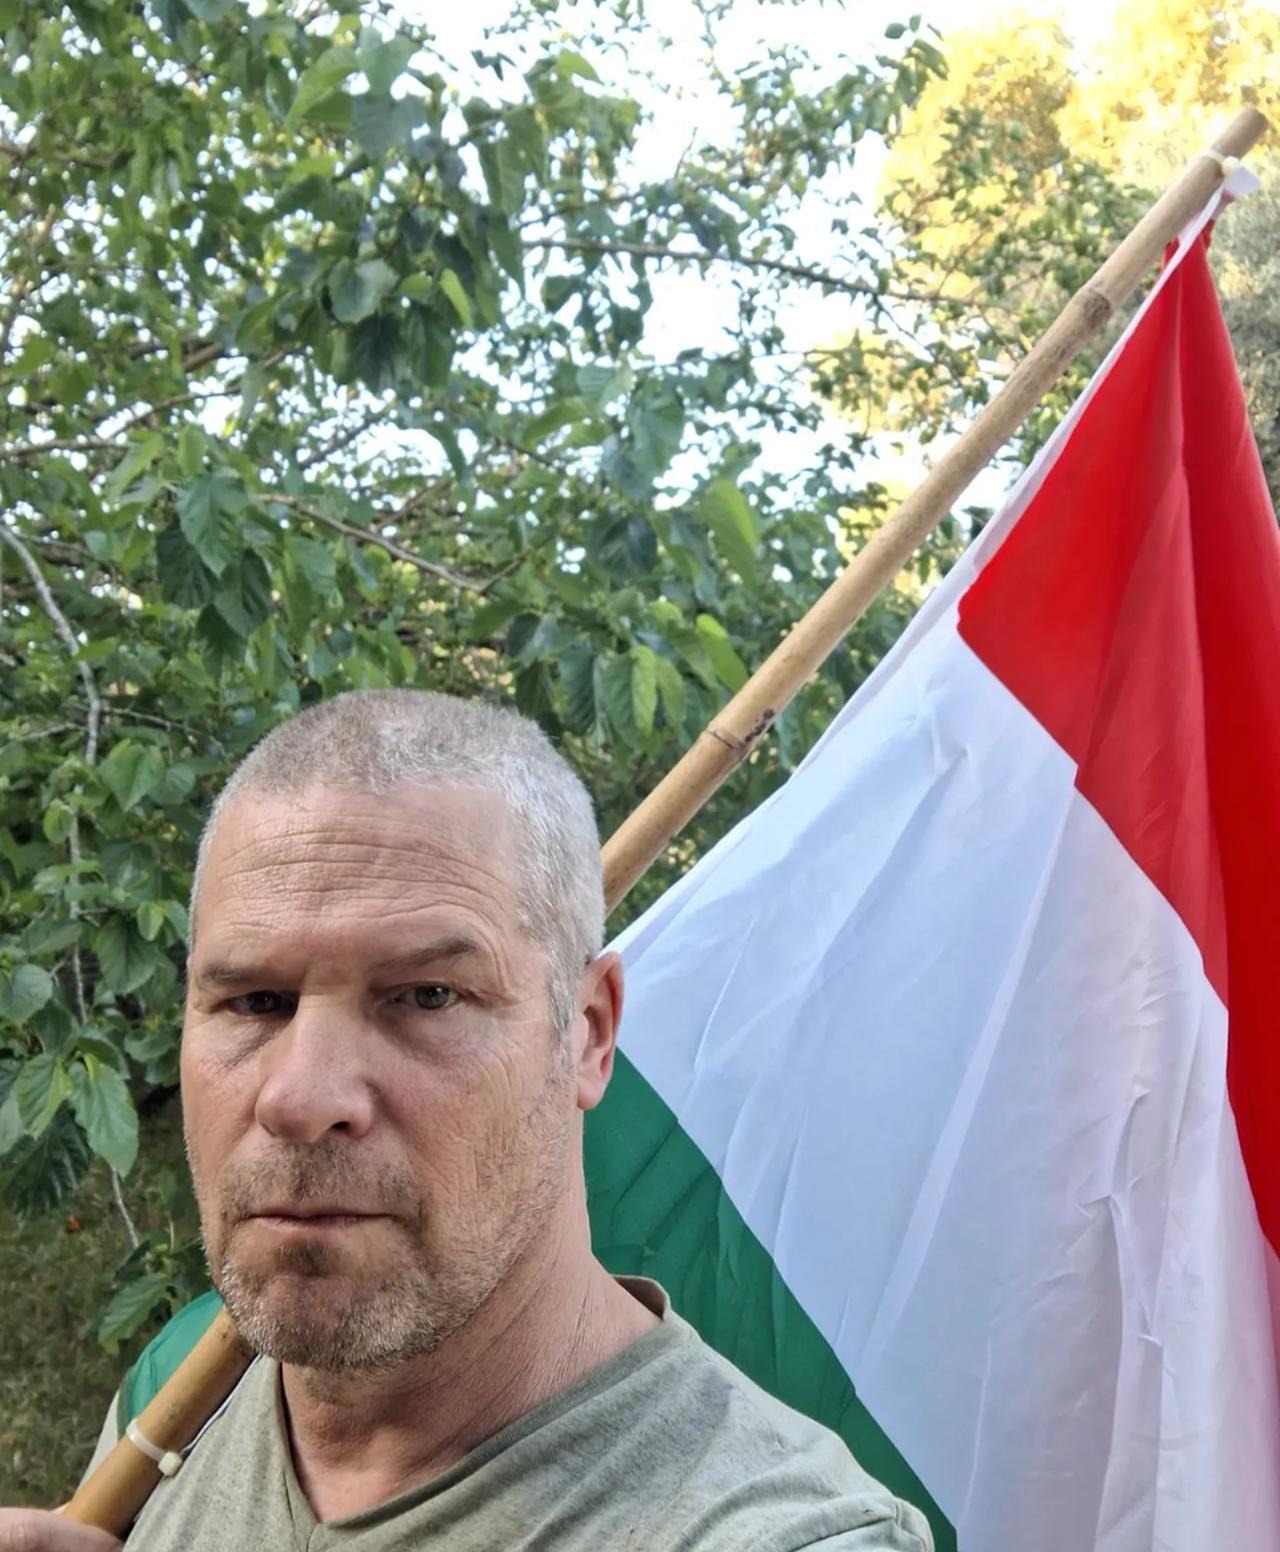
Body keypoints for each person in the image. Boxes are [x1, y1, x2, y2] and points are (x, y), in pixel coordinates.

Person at [1, 691, 933, 1552]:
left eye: (427, 995)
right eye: (254, 1001)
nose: (299, 1096)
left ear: (589, 1035)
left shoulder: (779, 1536)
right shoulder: (176, 1403)